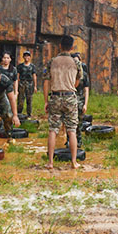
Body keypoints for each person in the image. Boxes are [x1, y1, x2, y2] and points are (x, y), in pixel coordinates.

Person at [43, 35, 82, 169]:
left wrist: (46, 100)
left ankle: (50, 162)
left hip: (55, 96)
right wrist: (70, 87)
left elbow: (46, 81)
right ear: (72, 47)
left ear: (60, 46)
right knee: (72, 130)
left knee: (53, 130)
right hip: (70, 96)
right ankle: (73, 162)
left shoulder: (52, 61)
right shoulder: (76, 62)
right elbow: (78, 80)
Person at [69, 53, 89, 148]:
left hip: (80, 101)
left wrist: (85, 104)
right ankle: (69, 140)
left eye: (77, 61)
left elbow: (86, 89)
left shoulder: (84, 75)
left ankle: (79, 140)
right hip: (69, 100)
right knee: (69, 121)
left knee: (79, 122)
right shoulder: (68, 73)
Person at [16, 51, 37, 116]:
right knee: (20, 100)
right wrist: (16, 87)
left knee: (29, 99)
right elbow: (17, 76)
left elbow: (34, 76)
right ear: (23, 57)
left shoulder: (32, 66)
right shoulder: (20, 66)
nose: (26, 57)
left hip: (30, 84)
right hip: (22, 84)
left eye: (28, 56)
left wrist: (35, 86)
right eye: (25, 56)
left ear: (30, 57)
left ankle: (29, 114)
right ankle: (19, 114)